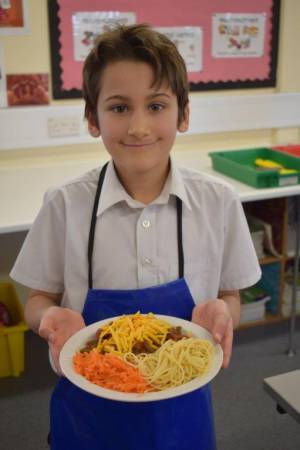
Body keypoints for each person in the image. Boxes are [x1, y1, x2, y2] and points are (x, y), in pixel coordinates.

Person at [10, 24, 261, 450]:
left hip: (184, 417)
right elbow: (39, 300)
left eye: (157, 105)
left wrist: (225, 313)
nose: (139, 127)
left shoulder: (217, 203)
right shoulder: (64, 205)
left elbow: (229, 296)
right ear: (93, 118)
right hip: (88, 417)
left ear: (183, 114)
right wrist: (48, 320)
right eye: (120, 107)